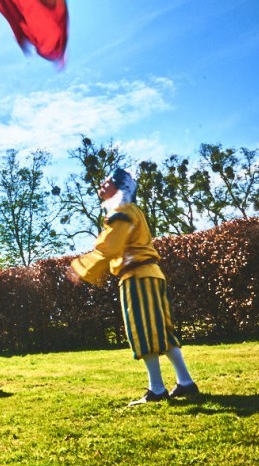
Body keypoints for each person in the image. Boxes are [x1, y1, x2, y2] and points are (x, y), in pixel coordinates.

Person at [68, 168, 199, 406]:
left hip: (137, 276)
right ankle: (186, 383)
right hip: (150, 275)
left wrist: (82, 267)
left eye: (106, 181)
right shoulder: (129, 210)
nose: (101, 185)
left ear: (120, 187)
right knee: (162, 330)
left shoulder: (122, 212)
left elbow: (110, 246)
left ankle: (157, 389)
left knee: (143, 330)